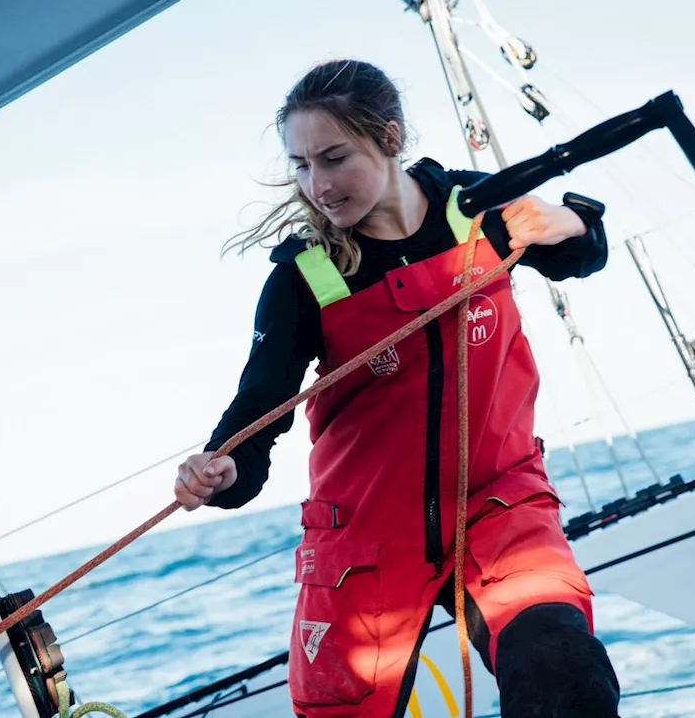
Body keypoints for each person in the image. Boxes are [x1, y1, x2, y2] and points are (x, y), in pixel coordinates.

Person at [173, 58, 621, 717]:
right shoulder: (303, 279)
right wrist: (220, 467)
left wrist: (564, 222)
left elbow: (581, 253)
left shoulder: (476, 210)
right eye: (300, 165)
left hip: (500, 505)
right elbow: (257, 418)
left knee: (562, 668)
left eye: (332, 158)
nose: (316, 185)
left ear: (389, 138)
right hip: (365, 540)